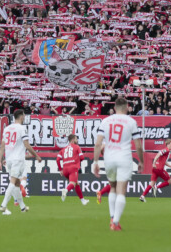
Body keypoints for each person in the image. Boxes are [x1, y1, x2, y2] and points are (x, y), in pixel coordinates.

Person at [93, 97, 144, 231]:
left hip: (109, 157)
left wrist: (95, 162)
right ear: (127, 107)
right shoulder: (131, 121)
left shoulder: (106, 121)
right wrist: (141, 161)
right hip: (124, 157)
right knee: (122, 191)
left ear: (114, 108)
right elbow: (138, 146)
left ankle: (111, 217)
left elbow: (98, 143)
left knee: (113, 187)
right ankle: (115, 222)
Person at [0, 109, 42, 215]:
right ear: (21, 116)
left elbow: (2, 146)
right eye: (24, 115)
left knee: (16, 183)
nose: (24, 117)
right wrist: (36, 155)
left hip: (9, 160)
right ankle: (3, 205)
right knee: (13, 182)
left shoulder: (7, 128)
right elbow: (27, 145)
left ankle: (22, 207)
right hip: (18, 159)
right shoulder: (22, 128)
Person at [56, 134, 88, 205]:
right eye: (76, 139)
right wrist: (77, 161)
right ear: (73, 140)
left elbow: (58, 159)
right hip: (73, 168)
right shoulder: (77, 147)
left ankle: (83, 200)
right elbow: (82, 157)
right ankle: (66, 190)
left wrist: (60, 169)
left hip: (65, 169)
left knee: (76, 183)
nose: (77, 140)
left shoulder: (63, 149)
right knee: (72, 183)